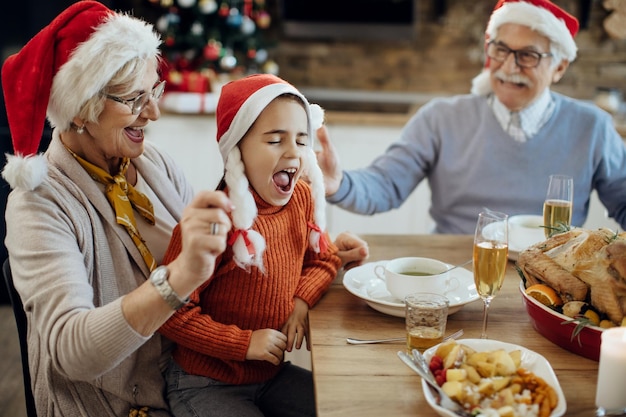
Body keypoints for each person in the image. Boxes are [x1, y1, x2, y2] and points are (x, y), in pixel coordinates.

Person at [1, 3, 367, 416]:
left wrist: (311, 247)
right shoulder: (39, 205)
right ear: (80, 105)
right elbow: (72, 353)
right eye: (135, 98)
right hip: (121, 404)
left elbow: (223, 258)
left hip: (210, 375)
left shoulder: (151, 162)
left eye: (153, 91)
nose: (153, 112)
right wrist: (175, 282)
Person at [316, 0, 626, 235]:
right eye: (500, 50)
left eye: (527, 56)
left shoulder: (593, 127)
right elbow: (385, 185)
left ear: (559, 67)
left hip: (553, 283)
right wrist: (338, 183)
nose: (508, 66)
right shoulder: (440, 118)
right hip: (454, 274)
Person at [158, 74, 341, 417]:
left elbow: (324, 258)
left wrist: (302, 298)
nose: (293, 152)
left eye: (302, 141)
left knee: (339, 408)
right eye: (275, 140)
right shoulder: (214, 221)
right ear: (237, 150)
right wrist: (244, 344)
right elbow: (171, 314)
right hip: (204, 383)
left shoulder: (301, 199)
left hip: (269, 377)